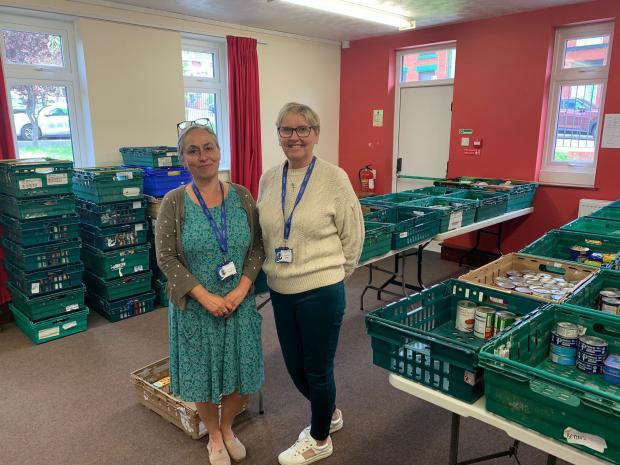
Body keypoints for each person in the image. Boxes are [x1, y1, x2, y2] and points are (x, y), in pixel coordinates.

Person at [257, 102, 364, 465]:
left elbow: (354, 237)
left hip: (320, 290)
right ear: (279, 136)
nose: (294, 137)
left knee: (317, 368)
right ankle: (330, 413)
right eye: (286, 130)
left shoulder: (335, 178)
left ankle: (319, 439)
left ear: (316, 134)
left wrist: (332, 276)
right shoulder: (269, 178)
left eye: (303, 129)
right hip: (281, 289)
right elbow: (266, 232)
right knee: (294, 366)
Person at [156, 120, 265, 465]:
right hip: (196, 307)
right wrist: (205, 296)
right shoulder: (174, 203)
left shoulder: (243, 196)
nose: (203, 156)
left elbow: (258, 248)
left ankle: (228, 426)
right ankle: (214, 436)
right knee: (202, 376)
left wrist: (242, 288)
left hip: (240, 303)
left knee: (241, 372)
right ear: (183, 159)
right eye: (193, 150)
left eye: (209, 148)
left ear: (219, 153)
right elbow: (166, 257)